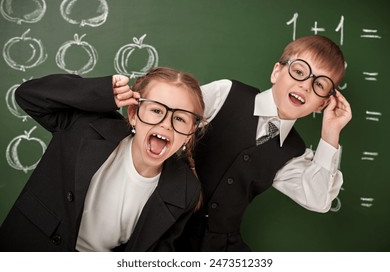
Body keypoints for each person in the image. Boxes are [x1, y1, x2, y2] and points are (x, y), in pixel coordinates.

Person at [176, 35, 352, 251]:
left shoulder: (293, 153)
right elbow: (173, 114)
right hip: (167, 227)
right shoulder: (226, 94)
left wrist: (330, 134)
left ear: (322, 104)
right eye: (298, 72)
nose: (305, 86)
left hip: (220, 246)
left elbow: (317, 200)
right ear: (276, 72)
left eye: (319, 84)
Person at [0, 67, 206, 252]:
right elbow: (27, 96)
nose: (166, 124)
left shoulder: (186, 189)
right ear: (133, 114)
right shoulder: (86, 126)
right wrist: (100, 92)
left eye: (179, 118)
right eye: (156, 110)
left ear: (190, 133)